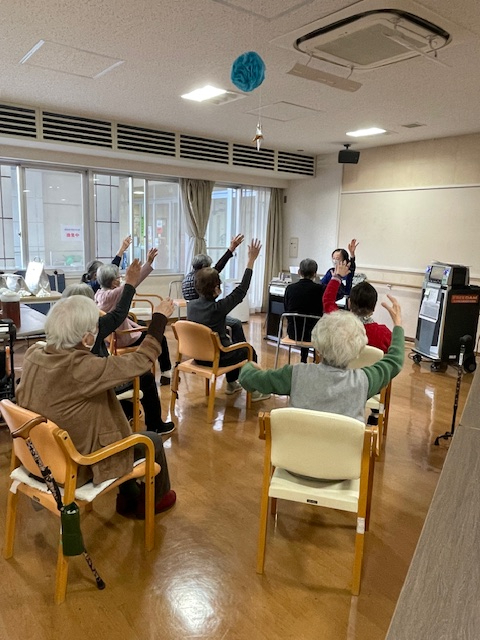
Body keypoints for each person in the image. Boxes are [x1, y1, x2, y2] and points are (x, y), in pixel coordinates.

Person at [16, 295, 177, 519]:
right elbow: (142, 361)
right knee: (152, 441)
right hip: (75, 465)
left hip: (38, 458)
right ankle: (154, 501)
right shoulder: (82, 368)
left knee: (109, 418)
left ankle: (129, 494)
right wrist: (159, 318)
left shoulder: (33, 355)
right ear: (87, 337)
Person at [239, 295, 404, 422]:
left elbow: (247, 379)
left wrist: (250, 366)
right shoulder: (364, 381)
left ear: (317, 346)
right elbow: (395, 360)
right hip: (344, 457)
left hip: (297, 454)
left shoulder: (295, 374)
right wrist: (397, 325)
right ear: (357, 351)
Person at [62, 259, 175, 435]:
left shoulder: (59, 331)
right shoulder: (93, 328)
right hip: (98, 383)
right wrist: (159, 317)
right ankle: (155, 425)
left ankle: (126, 412)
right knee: (145, 377)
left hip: (81, 384)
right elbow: (120, 312)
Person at [187, 238, 269, 402]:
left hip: (198, 356)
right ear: (216, 289)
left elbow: (212, 276)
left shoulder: (191, 306)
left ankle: (232, 384)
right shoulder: (217, 308)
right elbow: (242, 290)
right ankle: (254, 391)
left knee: (230, 343)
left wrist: (231, 250)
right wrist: (251, 260)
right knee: (248, 350)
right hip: (216, 358)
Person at [95, 248, 173, 384]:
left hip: (110, 337)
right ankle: (166, 373)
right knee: (161, 338)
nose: (120, 279)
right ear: (113, 282)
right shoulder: (113, 294)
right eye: (118, 278)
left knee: (141, 323)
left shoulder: (99, 294)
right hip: (121, 337)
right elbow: (134, 282)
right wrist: (147, 263)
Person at [182, 234, 246, 344]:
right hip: (207, 316)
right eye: (209, 267)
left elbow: (218, 267)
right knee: (236, 323)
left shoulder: (188, 278)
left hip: (194, 315)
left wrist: (231, 249)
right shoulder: (201, 280)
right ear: (204, 267)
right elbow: (218, 268)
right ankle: (241, 348)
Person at [323, 262, 392, 353]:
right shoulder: (384, 334)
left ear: (349, 302)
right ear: (373, 308)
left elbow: (328, 300)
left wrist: (337, 277)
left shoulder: (339, 323)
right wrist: (398, 323)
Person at [283, 258, 325, 363]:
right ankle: (308, 359)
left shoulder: (290, 288)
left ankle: (303, 358)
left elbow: (286, 310)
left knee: (302, 322)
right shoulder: (320, 289)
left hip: (293, 333)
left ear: (299, 272)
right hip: (314, 335)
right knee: (312, 323)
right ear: (315, 274)